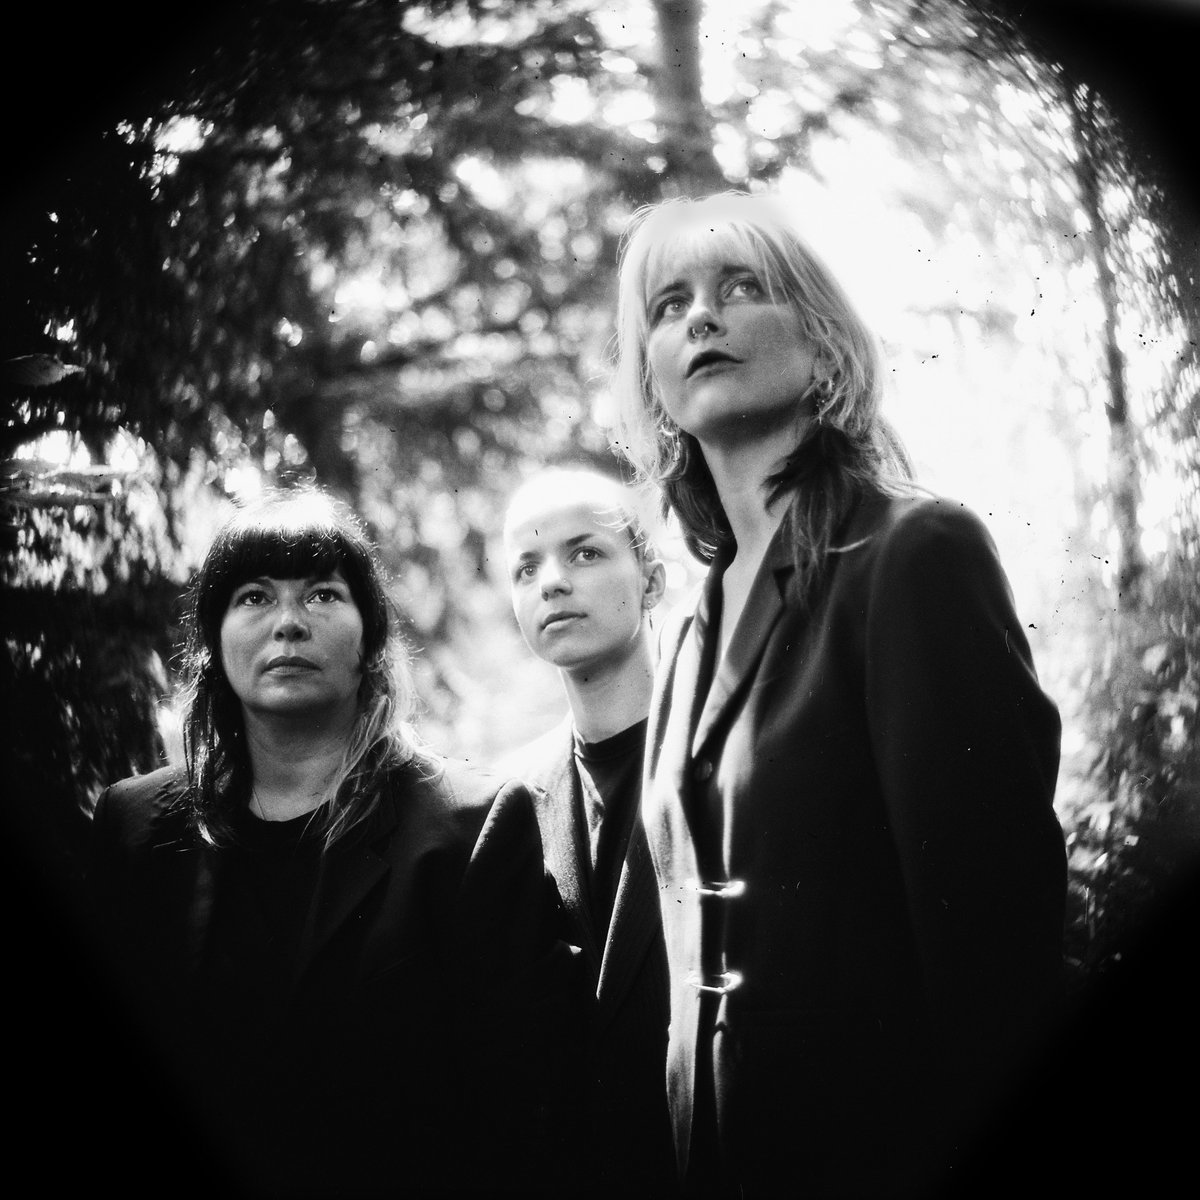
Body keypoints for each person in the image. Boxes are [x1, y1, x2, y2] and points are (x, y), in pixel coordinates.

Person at [608, 191, 1067, 1198]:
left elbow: (999, 948)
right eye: (670, 304)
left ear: (823, 343)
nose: (702, 316)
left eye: (742, 287)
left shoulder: (916, 554)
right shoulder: (684, 634)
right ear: (652, 378)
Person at [88, 486, 576, 1197]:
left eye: (322, 595)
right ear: (214, 641)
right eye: (254, 597)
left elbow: (525, 1109)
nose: (288, 623)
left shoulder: (470, 827)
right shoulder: (133, 825)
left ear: (370, 640)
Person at [499, 466, 677, 1196]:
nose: (552, 582)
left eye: (585, 552)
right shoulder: (504, 803)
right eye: (526, 567)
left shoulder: (729, 756)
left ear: (652, 579)